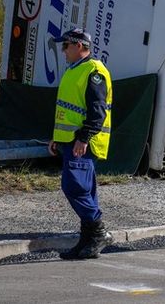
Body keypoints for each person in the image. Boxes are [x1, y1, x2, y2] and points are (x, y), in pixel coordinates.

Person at [49, 27, 115, 260]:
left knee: (74, 188)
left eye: (66, 45)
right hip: (71, 141)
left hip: (83, 143)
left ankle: (98, 231)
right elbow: (69, 109)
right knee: (84, 190)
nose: (63, 50)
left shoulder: (93, 71)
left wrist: (83, 137)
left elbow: (97, 111)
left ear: (78, 46)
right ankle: (87, 241)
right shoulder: (76, 69)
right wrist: (57, 138)